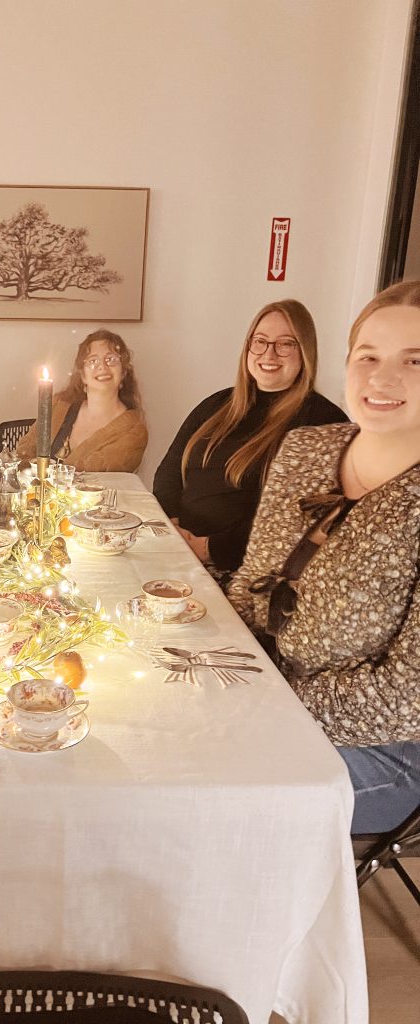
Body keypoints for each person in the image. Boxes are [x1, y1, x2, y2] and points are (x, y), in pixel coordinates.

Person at [228, 281, 420, 833]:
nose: (382, 378)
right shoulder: (306, 447)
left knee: (203, 791)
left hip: (385, 747)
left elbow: (407, 696)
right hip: (266, 692)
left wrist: (265, 706)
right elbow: (251, 583)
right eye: (369, 356)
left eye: (414, 360)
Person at [153, 300, 348, 574]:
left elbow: (295, 519)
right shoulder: (215, 405)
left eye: (285, 344)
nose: (269, 354)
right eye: (260, 342)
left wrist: (208, 548)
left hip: (243, 570)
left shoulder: (323, 422)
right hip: (179, 550)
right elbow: (168, 474)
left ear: (305, 352)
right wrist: (174, 531)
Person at [16, 329, 147, 472]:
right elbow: (23, 453)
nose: (102, 367)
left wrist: (45, 472)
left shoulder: (135, 430)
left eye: (111, 359)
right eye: (93, 361)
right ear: (83, 375)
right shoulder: (58, 406)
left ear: (123, 372)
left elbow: (96, 474)